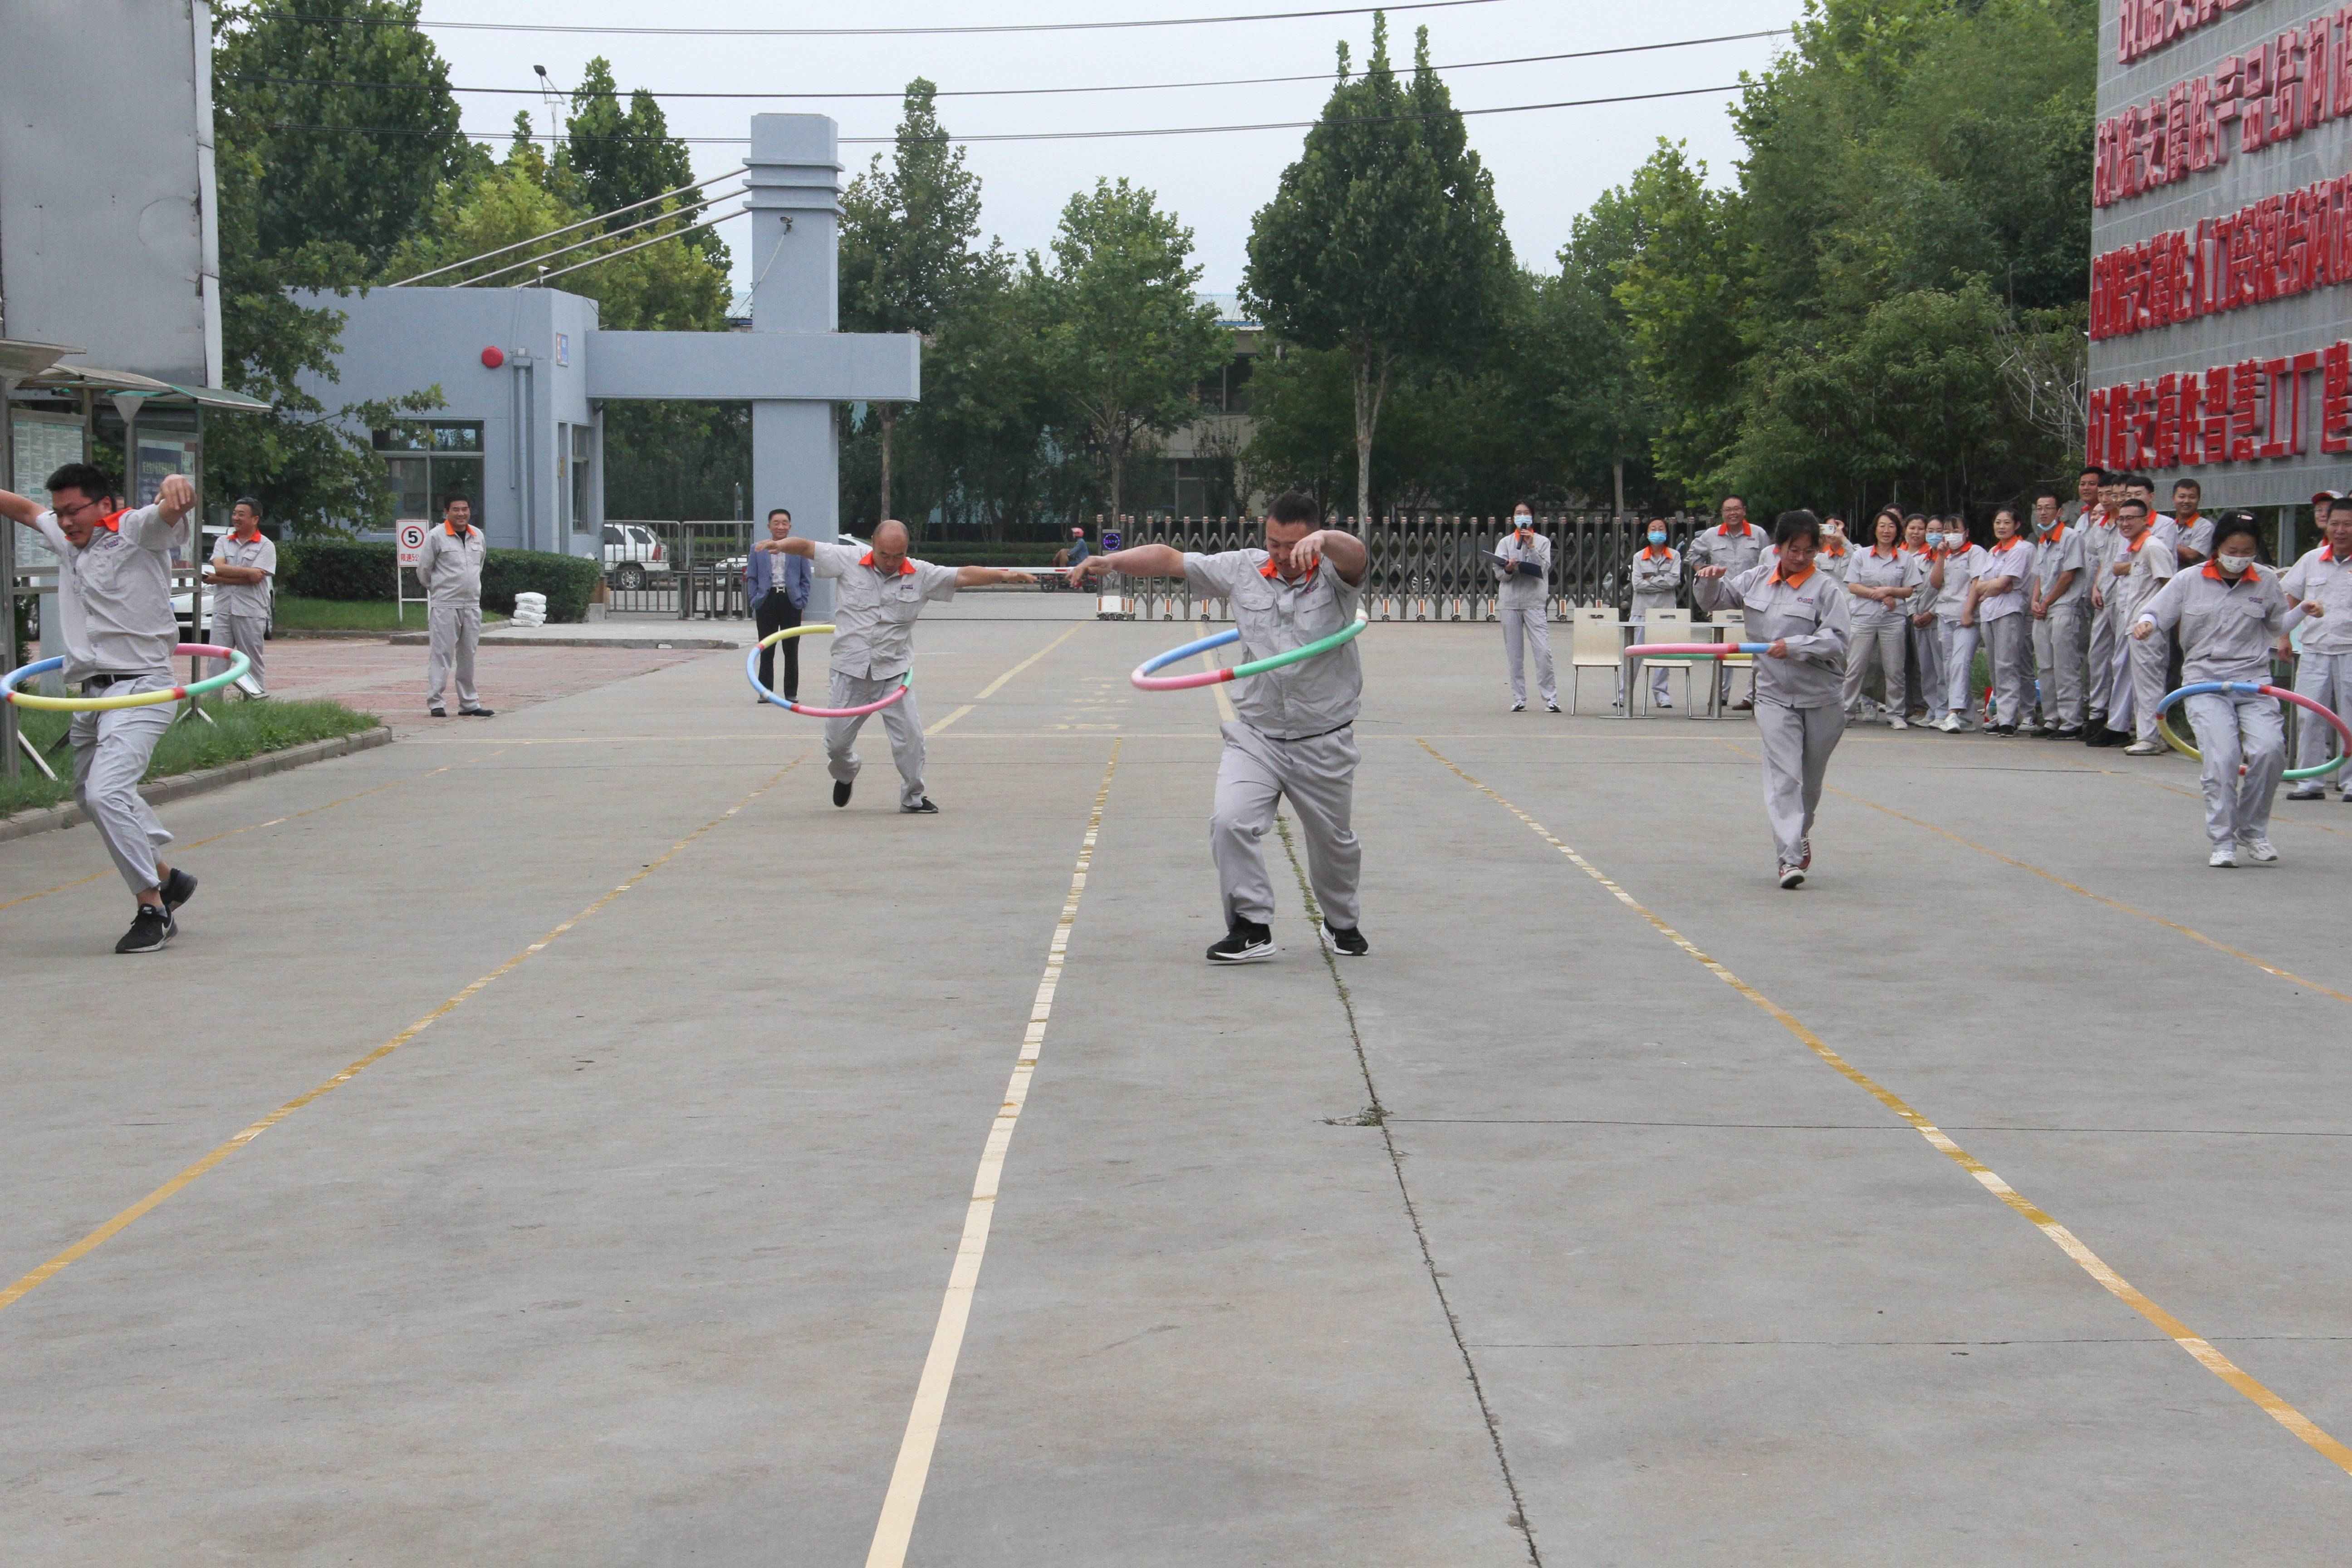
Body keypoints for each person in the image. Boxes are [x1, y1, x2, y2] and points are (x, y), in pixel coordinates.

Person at [1077, 491, 1370, 961]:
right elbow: (1171, 559)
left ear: (1314, 539)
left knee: (1334, 844)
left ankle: (1341, 922)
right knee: (1230, 822)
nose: (1281, 554)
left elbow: (1357, 557)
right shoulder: (1242, 568)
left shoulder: (1335, 576)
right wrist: (1112, 561)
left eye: (1292, 545)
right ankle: (1251, 927)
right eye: (1273, 543)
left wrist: (1328, 540)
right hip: (1257, 735)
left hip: (1323, 738)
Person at [0, 465, 202, 952]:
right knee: (89, 796)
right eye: (61, 513)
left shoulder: (135, 529)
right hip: (91, 695)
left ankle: (153, 907)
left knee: (107, 792)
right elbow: (25, 510)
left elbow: (171, 510)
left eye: (74, 511)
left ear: (105, 505)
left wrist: (178, 486)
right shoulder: (66, 536)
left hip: (141, 689)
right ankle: (169, 878)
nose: (66, 522)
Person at [760, 518, 1034, 813]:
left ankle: (913, 797)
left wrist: (1004, 575)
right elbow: (807, 547)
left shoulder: (921, 573)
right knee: (836, 744)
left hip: (893, 674)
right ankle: (846, 773)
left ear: (906, 550)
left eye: (898, 556)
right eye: (884, 555)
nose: (891, 562)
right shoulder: (848, 558)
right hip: (849, 671)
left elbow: (963, 575)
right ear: (873, 545)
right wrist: (780, 545)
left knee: (911, 741)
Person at [2132, 515, 2324, 866]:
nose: (2239, 558)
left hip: (2252, 681)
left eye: (2247, 551)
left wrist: (2303, 611)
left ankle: (2252, 830)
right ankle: (2223, 840)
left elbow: (2277, 625)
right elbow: (2157, 612)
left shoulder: (2266, 580)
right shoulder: (2189, 580)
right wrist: (2147, 625)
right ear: (2217, 548)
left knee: (2270, 751)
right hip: (2204, 682)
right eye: (2232, 551)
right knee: (2223, 758)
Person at [1695, 510, 1851, 889]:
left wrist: (1794, 646)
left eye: (1809, 551)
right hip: (1773, 696)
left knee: (1809, 784)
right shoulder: (1756, 580)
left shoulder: (1827, 589)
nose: (1800, 558)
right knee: (1784, 778)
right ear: (1778, 547)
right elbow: (1715, 601)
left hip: (1821, 697)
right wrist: (1708, 580)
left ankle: (1800, 832)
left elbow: (1838, 640)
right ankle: (1789, 859)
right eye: (1794, 550)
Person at [2281, 494, 2352, 800]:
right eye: (2335, 524)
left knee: (2351, 719)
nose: (2341, 530)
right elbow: (2291, 595)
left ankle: (2350, 783)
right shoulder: (2312, 559)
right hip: (2314, 649)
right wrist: (2284, 637)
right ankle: (2309, 781)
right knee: (2309, 716)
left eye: (2348, 525)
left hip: (2350, 649)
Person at [2096, 498, 2177, 755]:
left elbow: (2170, 588)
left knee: (2149, 685)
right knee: (2140, 685)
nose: (2125, 523)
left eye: (2131, 518)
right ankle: (2150, 736)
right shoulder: (2135, 549)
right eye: (2121, 519)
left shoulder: (2154, 547)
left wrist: (2159, 622)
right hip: (2134, 625)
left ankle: (2151, 738)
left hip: (2149, 628)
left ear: (2145, 520)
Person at [1685, 495, 1767, 709]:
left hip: (1753, 598)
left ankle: (1753, 696)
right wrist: (1705, 573)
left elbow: (1768, 562)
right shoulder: (1711, 535)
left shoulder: (1758, 534)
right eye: (1728, 510)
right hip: (1723, 597)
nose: (1733, 513)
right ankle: (1720, 694)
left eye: (1736, 509)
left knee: (1755, 646)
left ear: (1744, 511)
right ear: (1722, 514)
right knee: (1723, 646)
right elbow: (1693, 556)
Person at [415, 494, 493, 719]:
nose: (461, 514)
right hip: (446, 605)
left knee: (468, 655)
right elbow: (424, 570)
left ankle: (469, 704)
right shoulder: (436, 536)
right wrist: (439, 590)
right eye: (456, 510)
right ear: (446, 512)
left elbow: (479, 566)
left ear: (470, 511)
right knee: (442, 654)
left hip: (472, 604)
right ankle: (436, 703)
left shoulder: (477, 536)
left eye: (465, 509)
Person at [1842, 507, 1921, 728]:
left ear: (1898, 531)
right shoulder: (1861, 555)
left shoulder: (1905, 558)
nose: (1886, 531)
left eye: (1891, 526)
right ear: (1875, 530)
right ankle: (1845, 711)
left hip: (1893, 619)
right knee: (1855, 667)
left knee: (1894, 669)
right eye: (1882, 526)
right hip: (1863, 617)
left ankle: (1896, 714)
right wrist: (1877, 595)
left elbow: (1909, 590)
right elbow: (1853, 585)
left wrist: (1889, 591)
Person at [1962, 507, 2034, 735]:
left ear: (2017, 525)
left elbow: (2005, 584)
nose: (2001, 527)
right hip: (1990, 611)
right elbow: (1980, 585)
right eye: (1998, 522)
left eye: (2006, 522)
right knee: (1995, 667)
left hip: (2010, 611)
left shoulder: (2022, 549)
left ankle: (2009, 719)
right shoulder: (1994, 551)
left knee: (2008, 665)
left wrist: (1993, 586)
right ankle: (2002, 713)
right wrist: (1992, 587)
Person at [2026, 485, 2089, 738]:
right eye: (2039, 509)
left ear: (2060, 512)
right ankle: (2051, 719)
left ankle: (2071, 721)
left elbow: (2068, 575)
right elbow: (2039, 576)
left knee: (2065, 667)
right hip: (2043, 610)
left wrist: (2047, 601)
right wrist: (2035, 601)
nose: (2043, 513)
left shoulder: (2071, 537)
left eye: (2048, 508)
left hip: (2064, 607)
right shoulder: (2043, 540)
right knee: (2045, 667)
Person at [204, 496, 275, 698]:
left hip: (250, 611)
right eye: (235, 514)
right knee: (216, 659)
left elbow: (256, 579)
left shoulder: (266, 546)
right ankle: (213, 704)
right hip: (223, 610)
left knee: (251, 660)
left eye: (241, 515)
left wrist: (219, 578)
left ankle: (253, 702)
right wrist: (247, 572)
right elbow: (220, 567)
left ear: (255, 519)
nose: (236, 518)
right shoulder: (223, 542)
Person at [1490, 502, 1557, 713]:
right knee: (1515, 654)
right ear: (1513, 518)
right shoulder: (1505, 542)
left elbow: (1543, 568)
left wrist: (1531, 546)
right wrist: (1509, 569)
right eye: (1518, 513)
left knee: (1543, 651)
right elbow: (1499, 574)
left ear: (1532, 518)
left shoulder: (1543, 542)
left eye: (1526, 513)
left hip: (1534, 602)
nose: (1522, 517)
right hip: (1510, 602)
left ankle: (1551, 698)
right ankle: (1519, 698)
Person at [745, 507, 813, 703]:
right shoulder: (758, 549)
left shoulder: (798, 549)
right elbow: (752, 576)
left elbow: (806, 577)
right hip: (767, 600)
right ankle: (765, 692)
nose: (780, 527)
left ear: (790, 526)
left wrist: (802, 600)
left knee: (791, 649)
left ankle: (791, 693)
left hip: (791, 601)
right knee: (766, 648)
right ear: (769, 526)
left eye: (784, 523)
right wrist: (754, 599)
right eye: (776, 523)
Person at [1926, 515, 1986, 732]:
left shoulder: (1975, 552)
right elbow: (1935, 583)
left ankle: (1953, 713)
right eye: (1947, 532)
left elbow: (1977, 583)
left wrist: (1968, 611)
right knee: (1950, 667)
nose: (1950, 535)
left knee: (1961, 663)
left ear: (1966, 533)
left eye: (1955, 531)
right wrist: (1941, 556)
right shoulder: (1946, 555)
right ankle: (1966, 716)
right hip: (1945, 615)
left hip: (1966, 618)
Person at [1624, 519, 1681, 710]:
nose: (1657, 532)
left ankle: (1661, 694)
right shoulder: (1639, 557)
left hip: (1666, 612)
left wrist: (1650, 580)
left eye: (1661, 529)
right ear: (1647, 534)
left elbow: (1674, 581)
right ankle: (1624, 694)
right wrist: (1661, 582)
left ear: (1667, 532)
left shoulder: (1674, 555)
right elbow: (1637, 584)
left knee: (1663, 656)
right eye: (1653, 529)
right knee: (1634, 654)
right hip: (1642, 611)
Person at [1900, 514, 1940, 720]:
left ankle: (1922, 706)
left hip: (1923, 614)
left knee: (1922, 664)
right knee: (1902, 663)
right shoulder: (1898, 553)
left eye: (1921, 529)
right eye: (1912, 528)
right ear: (1905, 530)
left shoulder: (1930, 554)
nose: (1916, 532)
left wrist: (1922, 613)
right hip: (1900, 612)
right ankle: (1905, 706)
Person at [2170, 478, 2212, 567]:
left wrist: (2165, 541)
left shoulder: (2205, 527)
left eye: (2192, 497)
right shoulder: (2169, 526)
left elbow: (2192, 555)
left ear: (2199, 499)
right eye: (2182, 497)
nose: (2186, 501)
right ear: (2173, 499)